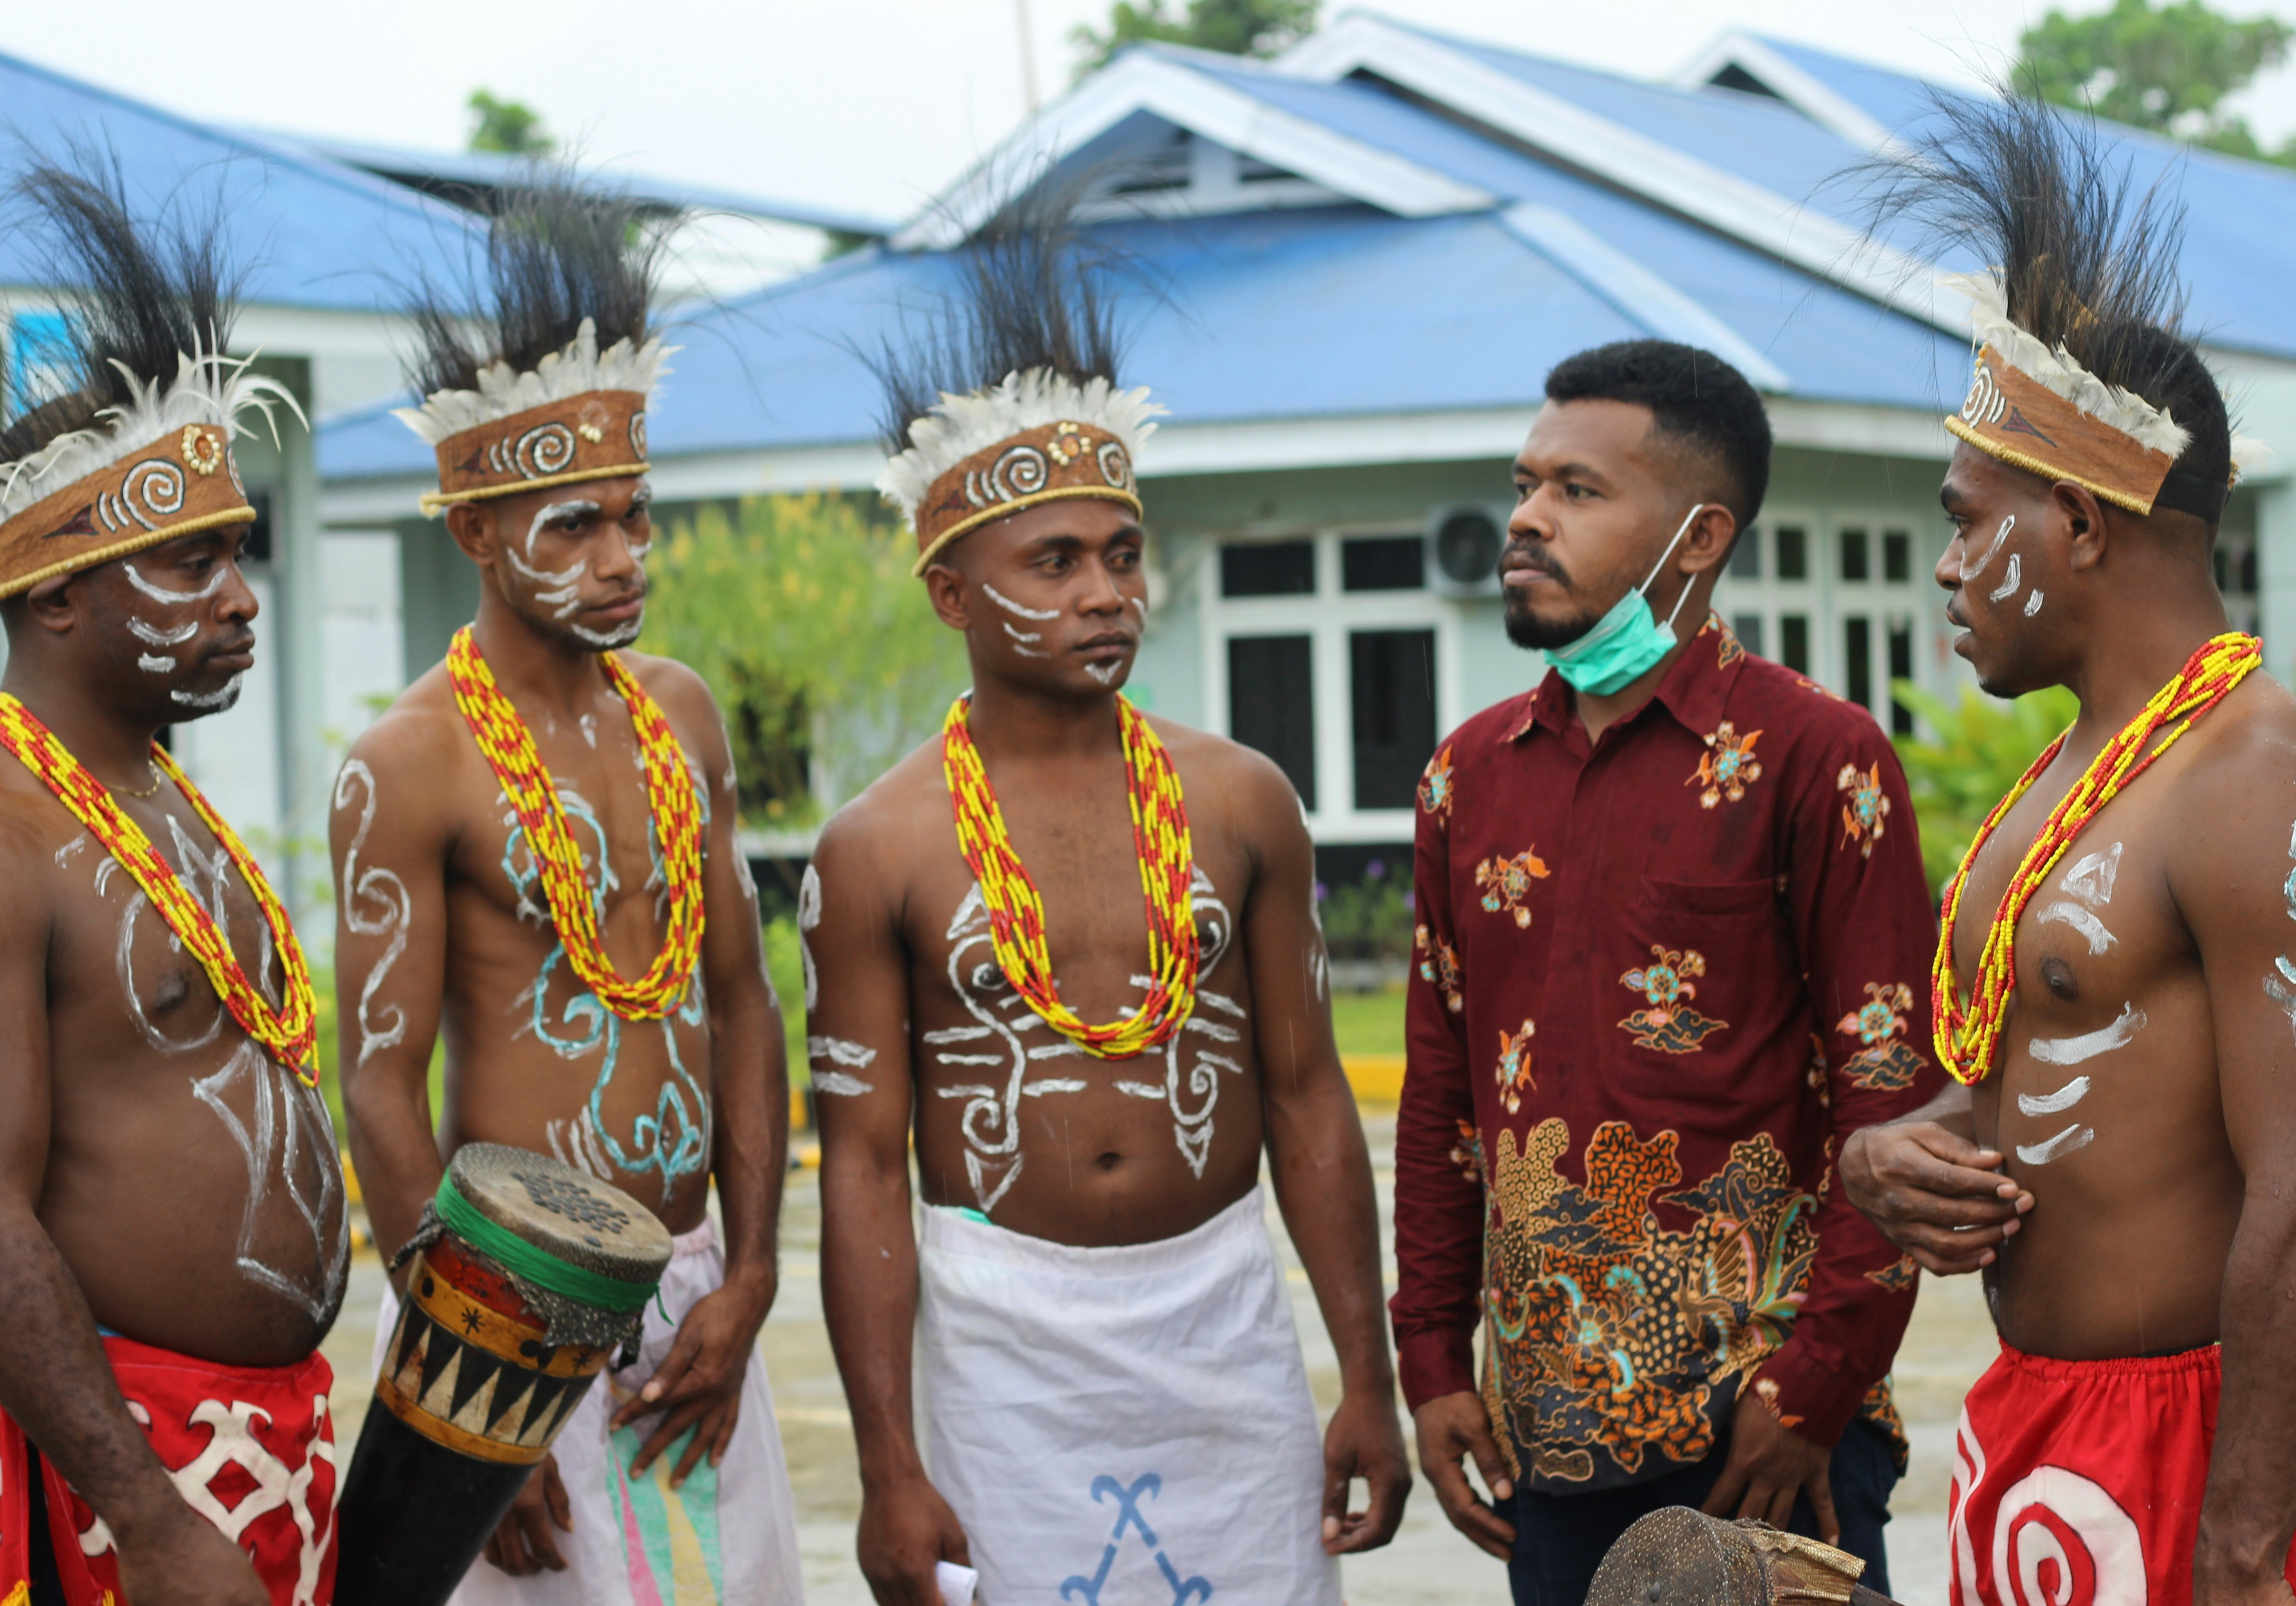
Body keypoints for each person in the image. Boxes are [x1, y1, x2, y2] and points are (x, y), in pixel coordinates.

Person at [802, 211, 1411, 1606]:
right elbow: (860, 1165)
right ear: (953, 592)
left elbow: (1312, 1098)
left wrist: (1362, 1379)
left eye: (1123, 555)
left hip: (1222, 1322)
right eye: (1055, 564)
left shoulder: (1243, 798)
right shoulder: (878, 846)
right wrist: (891, 1466)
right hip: (1004, 1338)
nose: (1106, 596)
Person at [1836, 93, 2296, 1606]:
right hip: (2041, 1436)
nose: (1954, 569)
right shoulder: (2067, 782)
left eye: (1973, 523)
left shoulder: (2252, 773)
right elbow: (2048, 1062)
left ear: (2084, 523)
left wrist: (2241, 1539)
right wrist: (1895, 1155)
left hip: (2201, 1454)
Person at [1391, 339, 1940, 1606]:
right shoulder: (1468, 777)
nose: (1526, 518)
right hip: (1547, 1443)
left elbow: (1892, 1104)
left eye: (1577, 492)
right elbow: (1440, 1102)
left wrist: (1814, 1387)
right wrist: (1431, 1359)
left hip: (1769, 1437)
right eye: (1527, 484)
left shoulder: (1819, 758)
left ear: (1697, 539)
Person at [335, 175, 800, 1604]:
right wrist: (473, 1385)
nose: (625, 561)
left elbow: (743, 1001)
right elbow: (376, 1086)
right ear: (477, 535)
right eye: (577, 527)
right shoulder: (407, 764)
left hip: (701, 1290)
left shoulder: (682, 716)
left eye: (635, 519)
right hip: (500, 1306)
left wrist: (753, 1279)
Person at [0, 157, 346, 1606]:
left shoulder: (149, 790)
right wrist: (146, 1517)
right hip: (117, 1483)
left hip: (261, 1444)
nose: (239, 596)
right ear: (60, 595)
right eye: (191, 563)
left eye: (239, 556)